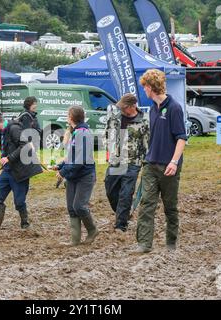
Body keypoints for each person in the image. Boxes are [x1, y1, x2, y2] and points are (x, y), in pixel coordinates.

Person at [136, 69, 187, 253]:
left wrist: (174, 162)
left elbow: (182, 138)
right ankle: (144, 244)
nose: (144, 91)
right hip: (151, 164)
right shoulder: (152, 109)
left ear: (150, 87)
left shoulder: (174, 108)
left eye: (144, 88)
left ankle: (171, 243)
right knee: (146, 203)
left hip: (169, 166)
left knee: (170, 206)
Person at [0, 110, 43, 230]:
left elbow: (25, 146)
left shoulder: (14, 128)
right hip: (8, 170)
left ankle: (25, 223)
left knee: (19, 201)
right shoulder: (3, 132)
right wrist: (4, 157)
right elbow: (8, 147)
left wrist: (9, 158)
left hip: (21, 170)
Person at [104, 93, 150, 233]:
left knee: (126, 193)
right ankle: (122, 213)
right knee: (111, 191)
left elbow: (148, 143)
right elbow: (106, 134)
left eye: (124, 107)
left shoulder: (144, 121)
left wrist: (146, 162)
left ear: (133, 106)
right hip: (116, 161)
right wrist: (109, 148)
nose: (122, 110)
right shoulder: (115, 118)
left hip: (132, 163)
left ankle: (120, 225)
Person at [54, 106, 98, 246]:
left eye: (68, 115)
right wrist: (60, 166)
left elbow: (79, 161)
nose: (67, 117)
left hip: (84, 175)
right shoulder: (75, 132)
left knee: (79, 206)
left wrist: (63, 172)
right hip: (74, 175)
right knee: (71, 208)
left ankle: (92, 230)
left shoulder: (82, 133)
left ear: (71, 118)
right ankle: (75, 240)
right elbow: (71, 157)